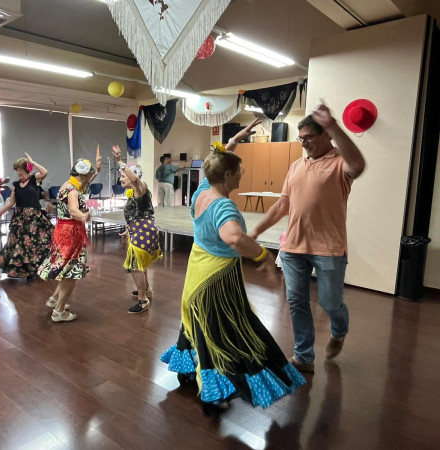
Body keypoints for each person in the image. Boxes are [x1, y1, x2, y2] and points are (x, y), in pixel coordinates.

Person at [160, 118, 306, 415]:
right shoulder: (224, 205)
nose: (242, 174)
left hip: (197, 270)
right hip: (217, 276)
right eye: (239, 171)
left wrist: (234, 141)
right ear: (227, 175)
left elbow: (213, 162)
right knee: (227, 328)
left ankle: (191, 372)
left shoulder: (202, 190)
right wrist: (263, 257)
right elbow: (235, 237)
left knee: (201, 324)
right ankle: (212, 390)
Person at [249, 104, 366, 373]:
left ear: (326, 135)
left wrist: (336, 127)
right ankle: (304, 356)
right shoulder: (295, 166)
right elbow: (282, 206)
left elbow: (358, 165)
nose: (304, 144)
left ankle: (339, 329)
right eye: (301, 139)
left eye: (309, 138)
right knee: (296, 301)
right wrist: (255, 231)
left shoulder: (339, 163)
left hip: (329, 248)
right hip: (292, 247)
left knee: (329, 303)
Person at [38, 154, 101, 322]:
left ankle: (56, 300)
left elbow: (83, 186)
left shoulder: (67, 185)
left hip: (63, 230)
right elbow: (73, 210)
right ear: (81, 175)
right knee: (71, 273)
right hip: (71, 232)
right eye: (88, 176)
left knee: (66, 268)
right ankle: (59, 311)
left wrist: (97, 171)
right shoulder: (73, 191)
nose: (89, 179)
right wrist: (84, 216)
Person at [112, 145, 162, 314]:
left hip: (144, 231)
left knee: (135, 266)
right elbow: (135, 214)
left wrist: (120, 162)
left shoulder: (141, 188)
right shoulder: (134, 192)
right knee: (140, 264)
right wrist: (128, 230)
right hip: (141, 230)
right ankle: (146, 289)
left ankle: (143, 300)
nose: (120, 180)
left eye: (122, 176)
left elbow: (134, 180)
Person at [0, 153, 52, 281]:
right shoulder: (16, 185)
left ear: (26, 169)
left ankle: (34, 270)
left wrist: (33, 162)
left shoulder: (35, 179)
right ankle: (24, 270)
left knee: (35, 244)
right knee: (19, 245)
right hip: (20, 218)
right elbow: (10, 203)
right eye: (17, 170)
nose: (18, 172)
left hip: (34, 218)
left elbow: (45, 171)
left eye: (20, 169)